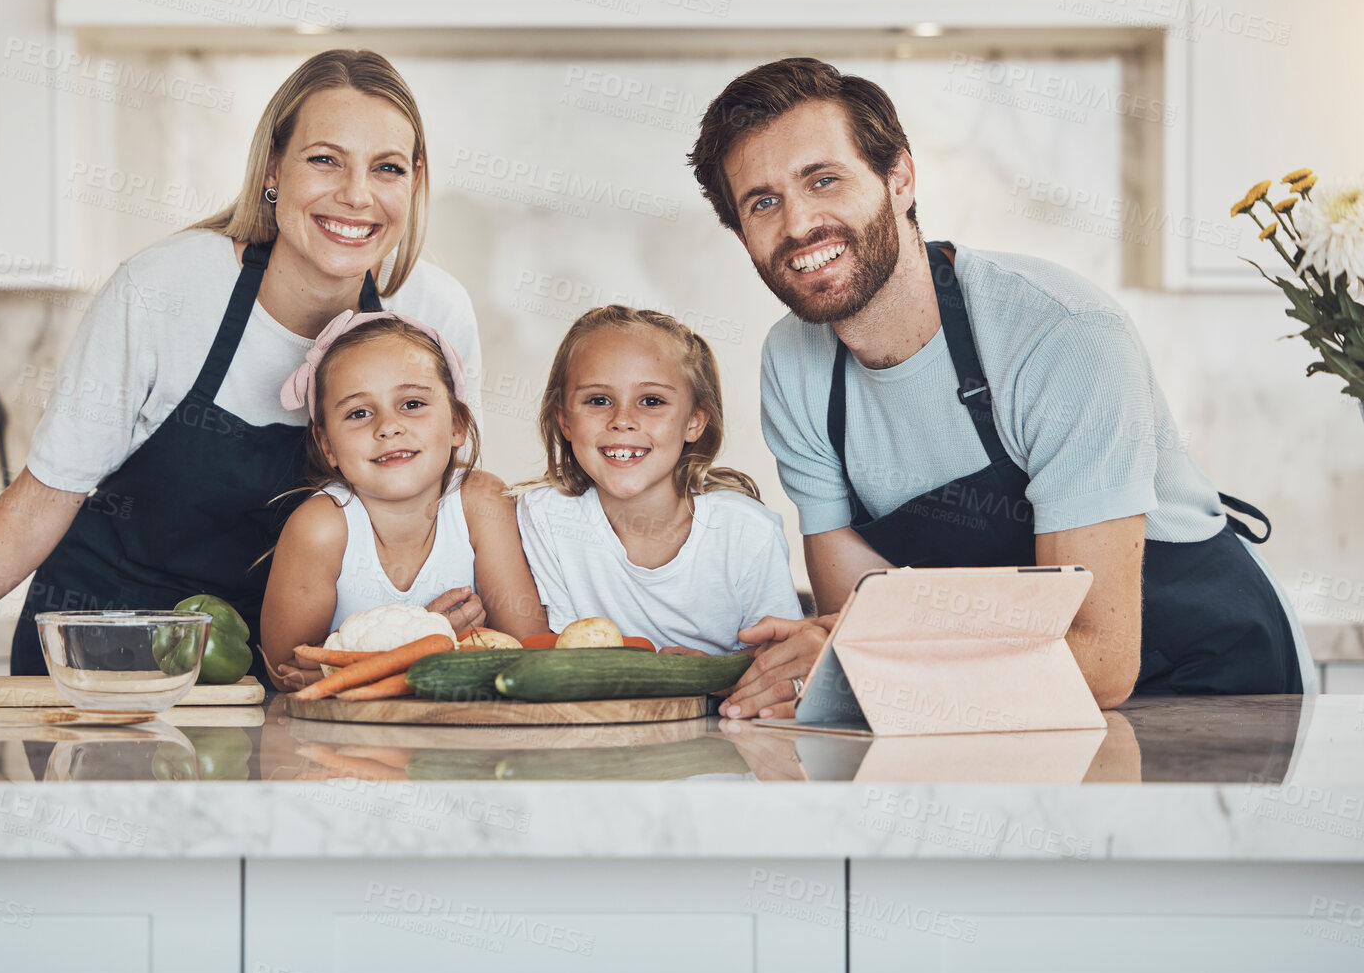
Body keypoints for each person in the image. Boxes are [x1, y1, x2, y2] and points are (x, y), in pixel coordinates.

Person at [684, 57, 1309, 718]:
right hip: (1006, 697)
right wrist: (838, 647)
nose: (798, 224)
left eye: (823, 179)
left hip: (1211, 681)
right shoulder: (793, 363)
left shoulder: (1060, 334)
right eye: (762, 201)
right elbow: (856, 616)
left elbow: (1097, 660)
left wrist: (863, 649)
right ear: (739, 232)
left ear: (898, 178)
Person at [0, 50, 483, 680]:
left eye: (387, 168)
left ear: (414, 180)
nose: (357, 196)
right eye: (324, 159)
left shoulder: (432, 312)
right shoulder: (166, 290)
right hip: (109, 664)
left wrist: (416, 627)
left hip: (295, 671)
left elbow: (450, 509)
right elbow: (39, 505)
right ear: (273, 168)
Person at [260, 312, 546, 689]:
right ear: (327, 445)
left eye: (412, 404)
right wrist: (422, 641)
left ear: (458, 423)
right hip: (346, 741)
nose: (388, 426)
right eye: (359, 413)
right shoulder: (321, 527)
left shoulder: (481, 504)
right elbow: (288, 672)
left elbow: (530, 651)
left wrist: (377, 662)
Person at [515, 306, 802, 655]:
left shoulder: (747, 532)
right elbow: (563, 656)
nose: (623, 420)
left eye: (651, 401)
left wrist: (711, 676)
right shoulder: (544, 516)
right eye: (598, 400)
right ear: (564, 420)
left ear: (695, 421)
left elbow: (783, 657)